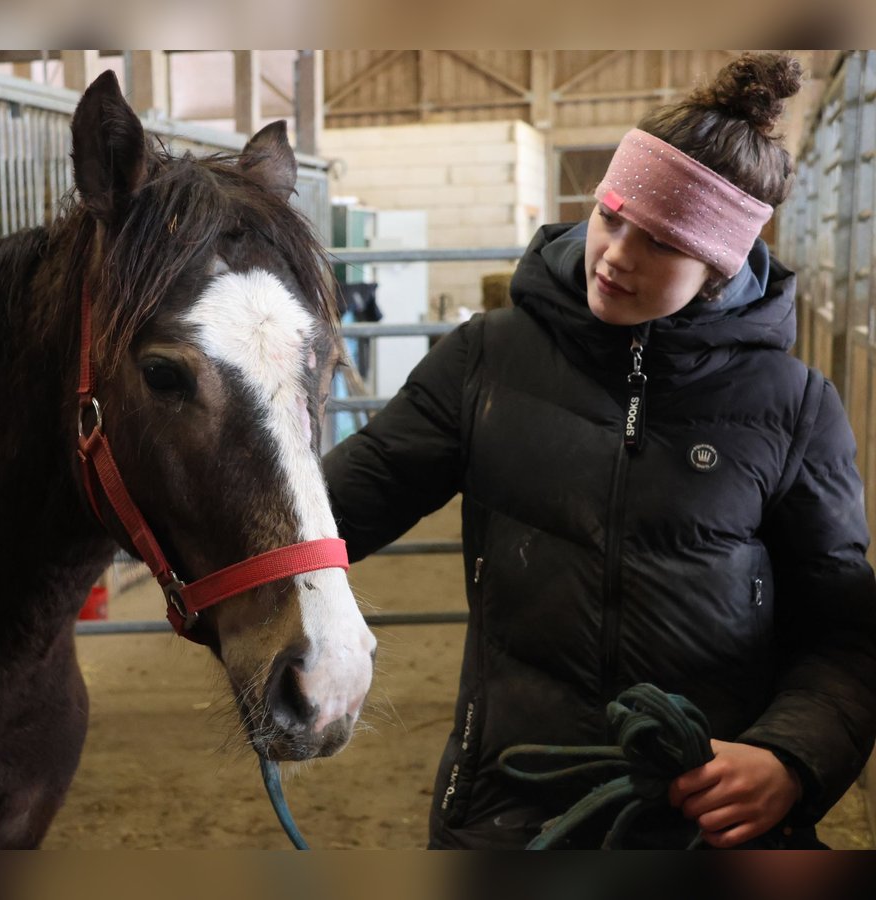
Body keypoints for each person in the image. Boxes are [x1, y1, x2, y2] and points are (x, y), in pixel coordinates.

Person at [323, 52, 876, 849]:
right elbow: (343, 502)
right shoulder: (487, 358)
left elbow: (844, 634)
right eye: (611, 216)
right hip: (508, 809)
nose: (616, 255)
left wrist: (788, 758)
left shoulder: (792, 408)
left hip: (696, 819)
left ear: (716, 271)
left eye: (662, 244)